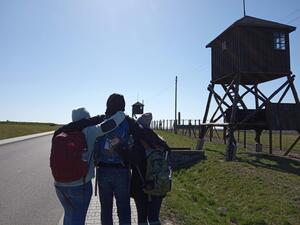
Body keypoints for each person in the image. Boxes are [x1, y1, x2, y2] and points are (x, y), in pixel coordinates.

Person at [95, 94, 164, 225]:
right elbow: (143, 132)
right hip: (122, 171)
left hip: (103, 171)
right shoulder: (127, 121)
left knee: (105, 209)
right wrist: (161, 143)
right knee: (124, 208)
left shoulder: (101, 121)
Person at [53, 107, 125, 225]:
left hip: (59, 186)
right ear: (87, 118)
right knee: (78, 218)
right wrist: (120, 114)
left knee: (69, 214)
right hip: (80, 185)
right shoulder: (89, 131)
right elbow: (109, 125)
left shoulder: (63, 132)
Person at [131, 113, 170, 225]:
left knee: (142, 218)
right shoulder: (160, 140)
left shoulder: (136, 141)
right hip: (158, 183)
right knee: (154, 217)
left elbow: (132, 160)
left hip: (141, 185)